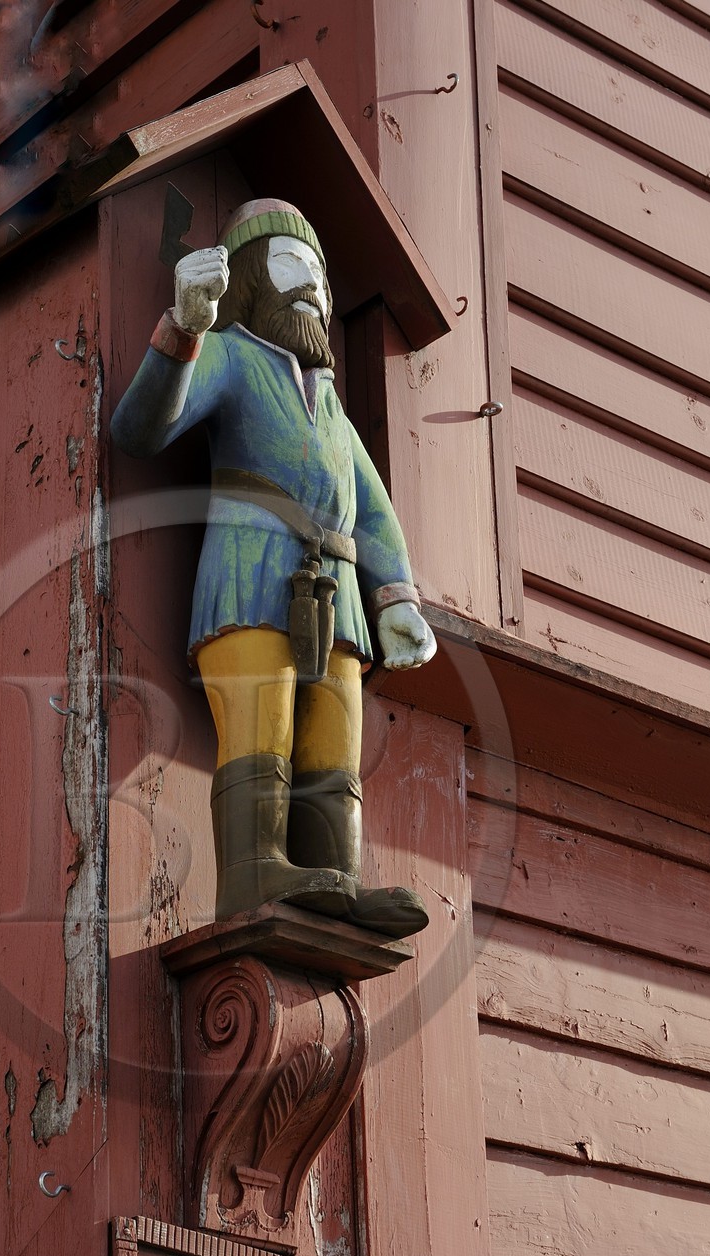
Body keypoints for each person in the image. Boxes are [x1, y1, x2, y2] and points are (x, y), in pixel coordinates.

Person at [111, 199, 436, 936]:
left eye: (320, 277)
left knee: (334, 728)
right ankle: (257, 868)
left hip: (338, 593)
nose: (314, 290)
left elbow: (374, 512)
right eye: (293, 266)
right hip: (250, 571)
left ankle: (336, 876)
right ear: (251, 277)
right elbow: (139, 429)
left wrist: (396, 598)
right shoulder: (230, 355)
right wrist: (187, 328)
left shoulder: (333, 407)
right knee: (266, 715)